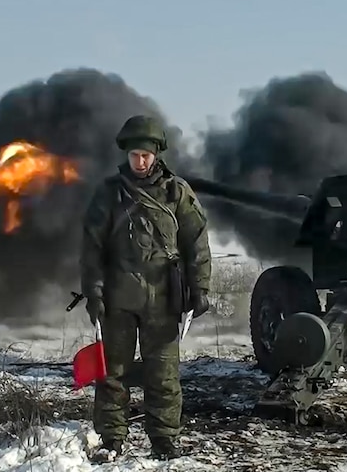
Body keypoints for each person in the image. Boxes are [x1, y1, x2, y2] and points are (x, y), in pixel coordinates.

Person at [79, 114, 212, 460]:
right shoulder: (109, 194)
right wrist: (93, 292)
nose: (140, 161)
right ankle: (111, 438)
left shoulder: (175, 192)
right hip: (117, 298)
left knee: (164, 375)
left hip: (164, 299)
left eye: (146, 155)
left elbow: (196, 242)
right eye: (135, 154)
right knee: (112, 375)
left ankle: (164, 440)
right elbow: (92, 247)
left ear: (156, 154)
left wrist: (201, 289)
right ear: (127, 154)